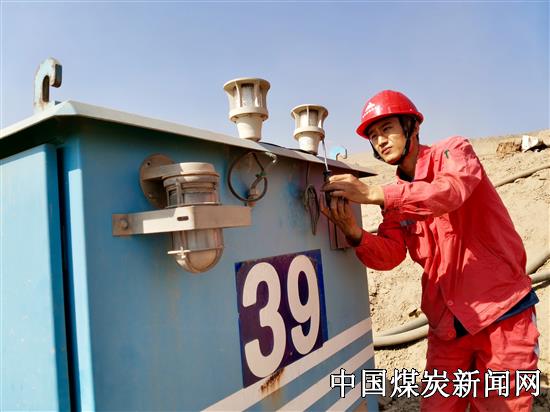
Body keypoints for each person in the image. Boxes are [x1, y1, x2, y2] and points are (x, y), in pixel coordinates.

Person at [321, 90, 540, 411]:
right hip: (448, 328)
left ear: (412, 126)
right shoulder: (393, 197)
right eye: (373, 135)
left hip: (502, 316)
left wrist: (376, 194)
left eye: (387, 129)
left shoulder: (453, 151)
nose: (380, 140)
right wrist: (354, 233)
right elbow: (391, 254)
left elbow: (450, 192)